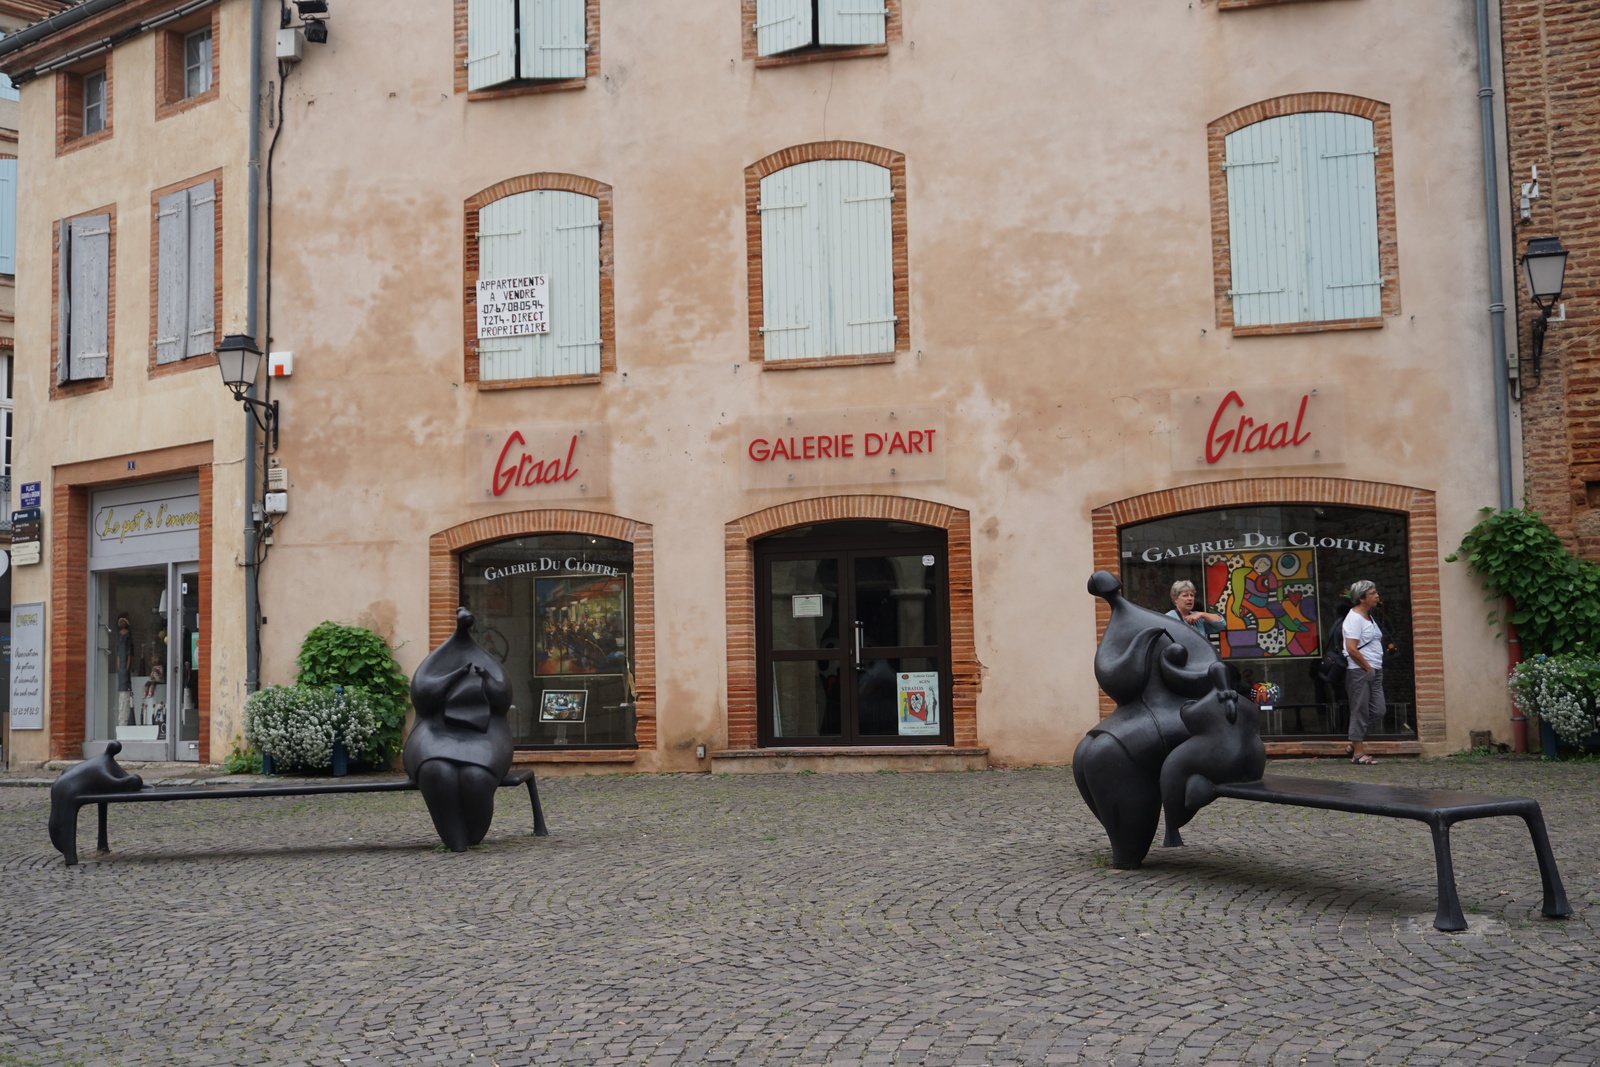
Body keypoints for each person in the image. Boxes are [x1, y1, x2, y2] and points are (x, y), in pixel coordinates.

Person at [1343, 580, 1385, 764]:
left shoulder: (1368, 616)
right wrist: (1367, 668)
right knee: (1360, 711)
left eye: (1376, 592)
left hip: (1374, 669)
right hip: (1360, 671)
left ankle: (1355, 741)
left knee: (1379, 710)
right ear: (1361, 598)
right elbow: (1351, 648)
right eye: (1372, 593)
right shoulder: (1354, 618)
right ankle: (1358, 754)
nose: (1377, 596)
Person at [114, 615, 135, 727]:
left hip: (126, 657)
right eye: (121, 622)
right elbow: (117, 648)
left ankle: (125, 719)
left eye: (124, 622)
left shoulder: (128, 634)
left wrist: (128, 663)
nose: (122, 624)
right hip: (120, 657)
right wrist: (118, 662)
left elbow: (130, 650)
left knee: (125, 679)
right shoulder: (119, 635)